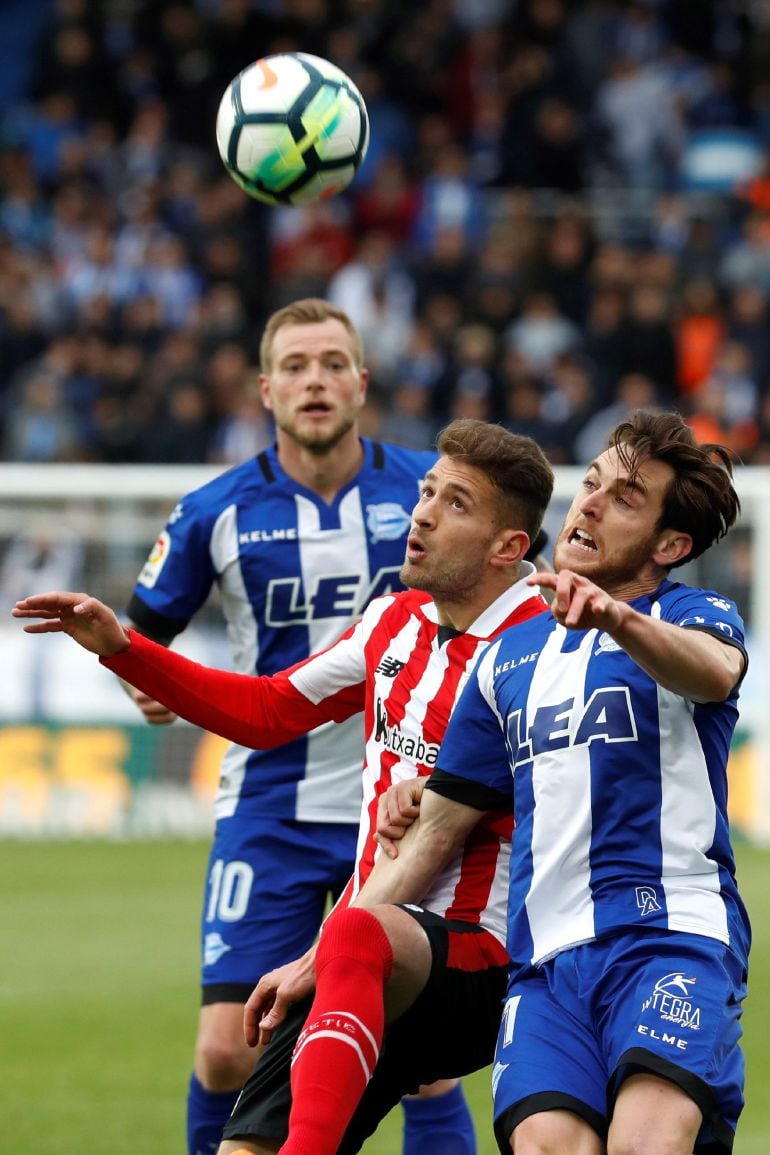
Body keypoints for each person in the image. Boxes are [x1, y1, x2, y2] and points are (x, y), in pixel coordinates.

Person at [13, 417, 556, 1155]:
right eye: (426, 491)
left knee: (359, 938)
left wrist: (452, 784)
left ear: (508, 547)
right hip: (363, 956)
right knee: (245, 1139)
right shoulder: (392, 621)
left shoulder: (547, 644)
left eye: (455, 502)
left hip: (478, 959)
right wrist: (124, 648)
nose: (422, 511)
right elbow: (268, 710)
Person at [119, 296, 460, 1155]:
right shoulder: (214, 509)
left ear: (363, 382)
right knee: (229, 1048)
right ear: (265, 390)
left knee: (429, 1060)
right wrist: (146, 688)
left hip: (408, 805)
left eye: (334, 363)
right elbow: (141, 628)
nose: (317, 380)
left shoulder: (429, 492)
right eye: (297, 367)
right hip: (270, 802)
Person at [375, 409, 751, 1155]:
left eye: (625, 497)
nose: (589, 504)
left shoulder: (690, 616)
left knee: (647, 1142)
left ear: (670, 544)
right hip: (545, 968)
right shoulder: (506, 658)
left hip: (667, 939)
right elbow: (434, 837)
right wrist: (318, 954)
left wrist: (618, 618)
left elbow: (713, 672)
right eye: (591, 483)